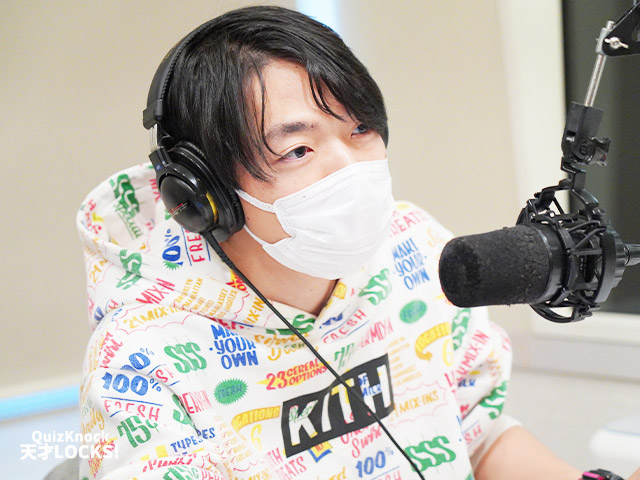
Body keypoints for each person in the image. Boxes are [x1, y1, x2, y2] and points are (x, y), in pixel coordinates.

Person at [76, 5, 639, 480]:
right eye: (297, 150)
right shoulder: (142, 360)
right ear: (203, 193)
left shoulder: (416, 248)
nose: (350, 169)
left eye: (360, 130)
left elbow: (476, 433)